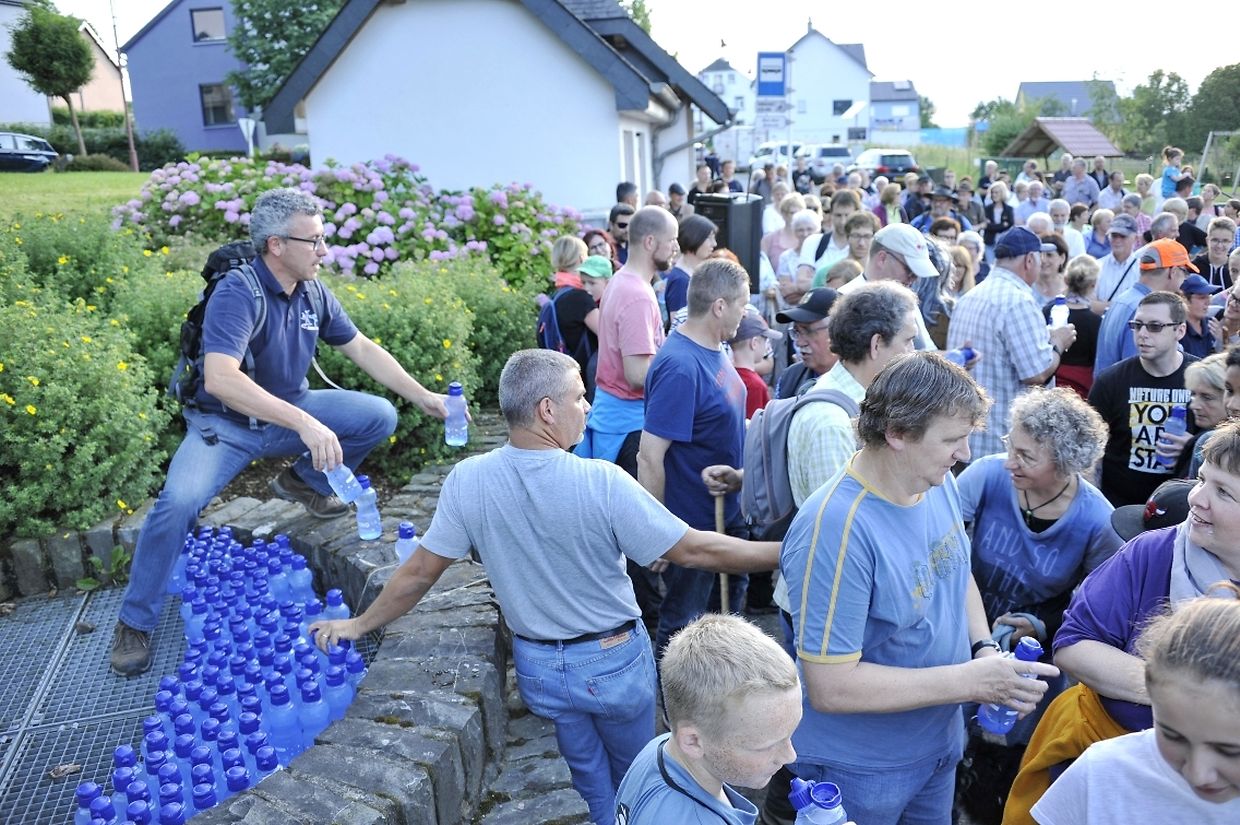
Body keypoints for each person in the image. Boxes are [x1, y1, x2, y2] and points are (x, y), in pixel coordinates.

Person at [309, 349, 780, 825]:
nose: (588, 406)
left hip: (539, 667)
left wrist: (360, 624)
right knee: (642, 775)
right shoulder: (600, 481)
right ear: (547, 410)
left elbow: (418, 573)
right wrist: (786, 550)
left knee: (590, 778)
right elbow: (695, 550)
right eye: (579, 396)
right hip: (612, 662)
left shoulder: (469, 479)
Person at [109, 187, 450, 677]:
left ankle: (301, 483)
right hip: (226, 427)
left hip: (290, 410)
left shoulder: (312, 290)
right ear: (276, 245)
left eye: (324, 238)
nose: (324, 250)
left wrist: (423, 396)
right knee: (177, 504)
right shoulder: (238, 293)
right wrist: (305, 423)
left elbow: (361, 347)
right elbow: (220, 379)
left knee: (378, 416)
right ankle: (134, 621)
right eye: (314, 241)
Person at [780, 352, 1059, 825]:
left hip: (937, 746)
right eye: (952, 439)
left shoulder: (933, 480)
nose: (965, 453)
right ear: (897, 433)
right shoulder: (835, 530)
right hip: (863, 769)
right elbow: (831, 686)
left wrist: (984, 650)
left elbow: (955, 571)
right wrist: (971, 681)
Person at [954, 387, 1119, 822]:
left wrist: (1041, 622)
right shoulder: (987, 476)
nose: (1010, 462)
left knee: (1001, 754)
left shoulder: (1095, 519)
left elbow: (1097, 605)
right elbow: (939, 537)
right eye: (1011, 446)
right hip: (963, 636)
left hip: (1031, 660)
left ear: (1065, 463)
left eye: (1026, 456)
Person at [1031, 587, 1240, 824]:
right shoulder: (1101, 773)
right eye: (1172, 736)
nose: (1198, 775)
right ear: (1150, 689)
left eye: (1229, 751)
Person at [640, 259, 752, 662]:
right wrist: (656, 532)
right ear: (719, 306)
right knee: (685, 628)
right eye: (742, 304)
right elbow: (649, 456)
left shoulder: (715, 348)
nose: (745, 313)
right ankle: (673, 700)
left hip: (726, 513)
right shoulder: (680, 366)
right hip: (693, 527)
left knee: (727, 630)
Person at [614, 615, 800, 825]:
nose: (790, 756)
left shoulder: (661, 747)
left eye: (790, 734)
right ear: (693, 741)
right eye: (766, 746)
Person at [949, 227, 1077, 457]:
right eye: (1039, 259)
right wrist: (1059, 343)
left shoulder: (971, 295)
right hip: (999, 442)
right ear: (1029, 260)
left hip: (965, 437)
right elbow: (1036, 373)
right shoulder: (1018, 301)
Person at [576, 206, 673, 475]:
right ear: (650, 242)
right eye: (671, 240)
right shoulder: (637, 294)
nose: (675, 247)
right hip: (629, 427)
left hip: (615, 418)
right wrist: (678, 372)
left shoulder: (621, 280)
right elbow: (637, 375)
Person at [1089, 292, 1199, 507]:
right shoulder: (1110, 381)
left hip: (1181, 506)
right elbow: (1091, 451)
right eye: (1137, 325)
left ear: (1180, 330)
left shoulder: (1200, 379)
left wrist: (1192, 446)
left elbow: (1220, 438)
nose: (1142, 334)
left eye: (1155, 326)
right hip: (1118, 504)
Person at [1094, 239, 1195, 374]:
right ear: (1173, 272)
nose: (1184, 279)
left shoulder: (1123, 300)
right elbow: (1140, 371)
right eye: (1185, 272)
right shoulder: (1144, 309)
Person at [1045, 255, 1102, 397]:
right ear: (1093, 284)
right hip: (1081, 391)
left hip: (1049, 385)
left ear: (1066, 280)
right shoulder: (1096, 322)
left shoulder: (1048, 311)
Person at [773, 288, 839, 399]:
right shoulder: (790, 377)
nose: (799, 343)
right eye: (797, 332)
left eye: (808, 331)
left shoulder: (861, 378)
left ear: (836, 330)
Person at [796, 189, 860, 292]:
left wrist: (817, 280)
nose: (843, 221)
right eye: (838, 215)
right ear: (831, 214)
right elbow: (801, 284)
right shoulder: (813, 242)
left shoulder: (862, 247)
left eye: (847, 215)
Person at [663, 214, 719, 321]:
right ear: (694, 238)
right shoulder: (680, 281)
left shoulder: (694, 273)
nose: (714, 244)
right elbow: (678, 321)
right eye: (709, 238)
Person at [729, 309, 781, 420]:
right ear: (754, 343)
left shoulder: (725, 373)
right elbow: (755, 426)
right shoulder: (755, 385)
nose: (766, 346)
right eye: (765, 340)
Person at [1091, 213, 1142, 312]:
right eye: (1114, 236)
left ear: (1135, 238)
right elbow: (1090, 305)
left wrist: (1104, 306)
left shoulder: (1143, 270)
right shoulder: (1096, 266)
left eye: (1123, 236)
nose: (1117, 240)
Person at [761, 192, 807, 279]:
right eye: (792, 213)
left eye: (799, 213)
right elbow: (763, 269)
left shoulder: (808, 238)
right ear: (783, 214)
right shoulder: (768, 240)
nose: (796, 217)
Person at [1180, 273, 1224, 358]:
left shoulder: (1212, 326)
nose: (1208, 302)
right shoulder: (1178, 329)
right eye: (1202, 297)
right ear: (1185, 299)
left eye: (1208, 297)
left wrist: (1220, 342)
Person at [1192, 216, 1237, 290]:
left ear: (1232, 243)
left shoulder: (1236, 268)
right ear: (1207, 240)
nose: (1219, 245)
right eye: (1215, 240)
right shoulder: (1194, 266)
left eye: (1225, 241)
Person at [983, 182, 1015, 260]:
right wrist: (1002, 225)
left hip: (1004, 243)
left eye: (996, 192)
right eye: (992, 192)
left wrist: (992, 226)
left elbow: (1010, 224)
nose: (994, 195)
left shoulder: (1009, 209)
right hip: (990, 242)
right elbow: (986, 225)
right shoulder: (987, 209)